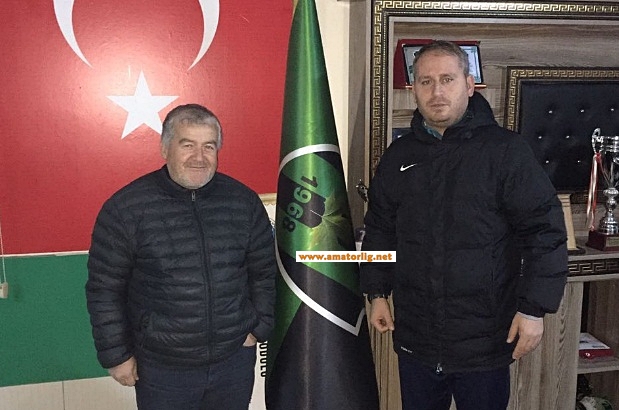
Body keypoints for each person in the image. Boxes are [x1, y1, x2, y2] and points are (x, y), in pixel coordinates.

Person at [360, 40, 568, 410]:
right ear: (413, 89)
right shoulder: (399, 157)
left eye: (447, 79)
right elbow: (380, 228)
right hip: (417, 340)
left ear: (469, 85)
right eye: (425, 82)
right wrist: (377, 292)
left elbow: (545, 233)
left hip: (484, 342)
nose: (436, 92)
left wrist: (534, 310)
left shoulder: (506, 152)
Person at [85, 103, 276, 410]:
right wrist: (116, 355)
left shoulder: (243, 202)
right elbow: (104, 289)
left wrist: (258, 327)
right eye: (187, 145)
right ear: (165, 148)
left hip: (233, 361)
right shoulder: (126, 208)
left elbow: (264, 272)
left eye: (208, 146)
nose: (199, 157)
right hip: (162, 369)